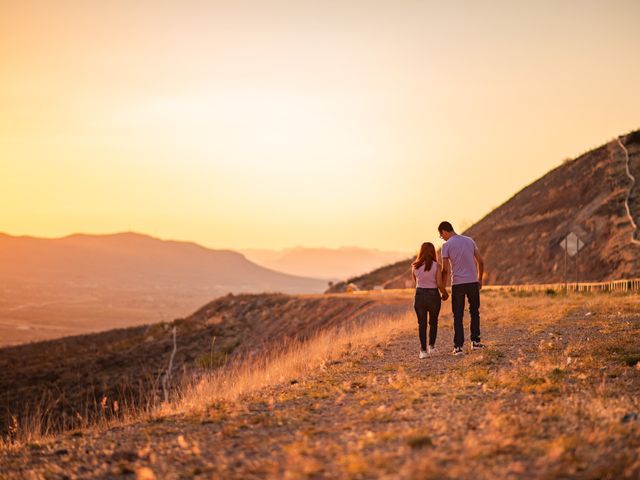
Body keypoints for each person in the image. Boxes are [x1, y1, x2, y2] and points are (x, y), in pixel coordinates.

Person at [438, 221, 485, 355]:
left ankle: (458, 347)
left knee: (458, 315)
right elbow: (480, 262)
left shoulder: (446, 245)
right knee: (474, 311)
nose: (443, 238)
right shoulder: (470, 241)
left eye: (442, 235)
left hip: (457, 283)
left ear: (444, 231)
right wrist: (480, 279)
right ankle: (475, 342)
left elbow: (445, 270)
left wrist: (443, 288)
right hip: (472, 282)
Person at [411, 242, 449, 359]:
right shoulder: (436, 265)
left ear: (421, 251)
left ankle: (423, 351)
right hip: (433, 296)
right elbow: (439, 284)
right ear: (433, 252)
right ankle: (431, 347)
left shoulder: (415, 266)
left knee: (422, 324)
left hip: (419, 295)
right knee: (433, 322)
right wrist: (445, 294)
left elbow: (416, 282)